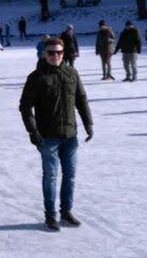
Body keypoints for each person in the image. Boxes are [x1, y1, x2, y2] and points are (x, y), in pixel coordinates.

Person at [19, 36, 93, 232]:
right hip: (47, 137)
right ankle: (50, 215)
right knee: (50, 176)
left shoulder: (71, 73)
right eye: (51, 53)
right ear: (44, 54)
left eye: (59, 52)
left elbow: (81, 100)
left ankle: (66, 212)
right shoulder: (36, 77)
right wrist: (33, 131)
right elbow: (25, 107)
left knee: (70, 175)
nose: (55, 56)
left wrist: (88, 124)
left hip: (70, 135)